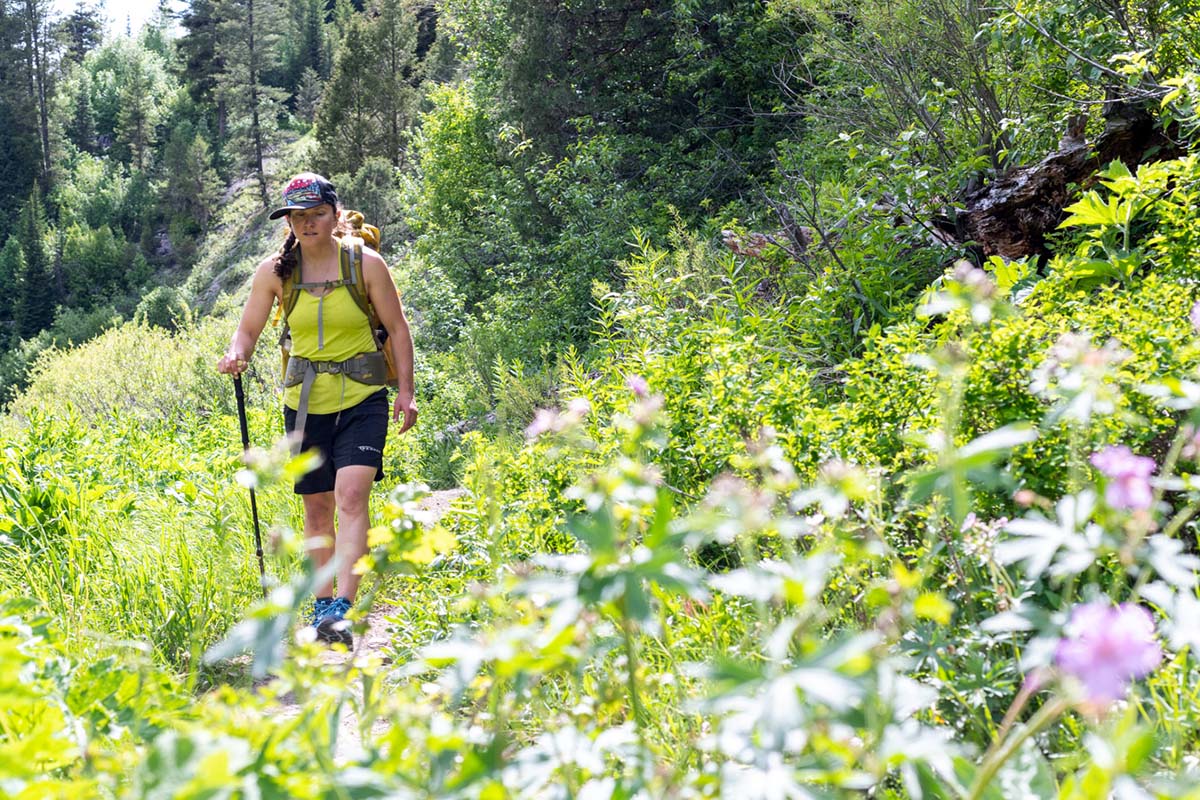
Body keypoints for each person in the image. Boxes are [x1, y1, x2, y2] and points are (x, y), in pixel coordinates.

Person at [217, 172, 417, 647]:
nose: (307, 224)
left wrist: (405, 391)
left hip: (364, 395)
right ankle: (321, 606)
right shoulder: (275, 272)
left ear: (334, 213)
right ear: (288, 221)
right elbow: (248, 329)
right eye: (298, 216)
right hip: (305, 404)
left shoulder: (366, 264)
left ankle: (344, 606)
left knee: (351, 494)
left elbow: (398, 328)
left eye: (317, 214)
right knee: (317, 508)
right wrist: (236, 353)